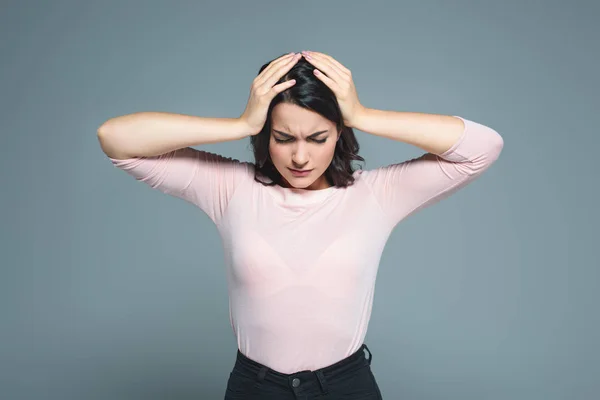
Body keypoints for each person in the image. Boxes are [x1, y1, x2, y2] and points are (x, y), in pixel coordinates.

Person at [97, 50, 504, 399]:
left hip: (346, 386)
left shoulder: (376, 194)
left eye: (317, 138)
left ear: (340, 133)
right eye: (283, 137)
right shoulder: (232, 187)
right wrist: (239, 123)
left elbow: (483, 147)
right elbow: (116, 138)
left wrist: (364, 113)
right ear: (264, 135)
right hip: (254, 388)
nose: (300, 157)